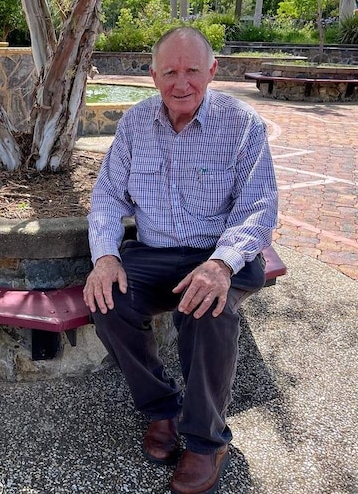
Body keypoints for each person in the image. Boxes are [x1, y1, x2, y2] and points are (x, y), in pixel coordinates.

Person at [84, 27, 278, 494]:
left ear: (212, 71)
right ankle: (162, 408)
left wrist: (221, 264)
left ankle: (206, 439)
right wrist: (106, 256)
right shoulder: (135, 124)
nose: (182, 82)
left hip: (221, 253)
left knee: (207, 309)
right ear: (153, 76)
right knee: (107, 301)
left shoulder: (242, 125)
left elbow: (259, 206)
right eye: (170, 71)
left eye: (192, 70)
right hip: (154, 250)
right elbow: (108, 195)